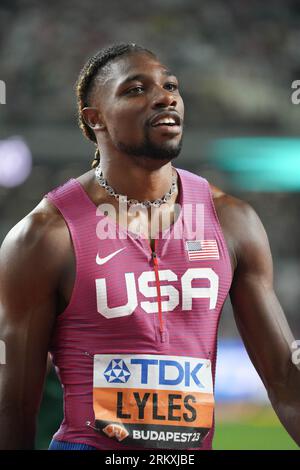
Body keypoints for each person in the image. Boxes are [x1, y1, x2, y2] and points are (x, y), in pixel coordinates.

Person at [0, 42, 299, 451]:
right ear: (95, 118)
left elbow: (285, 377)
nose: (165, 96)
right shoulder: (44, 235)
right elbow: (13, 406)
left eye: (170, 85)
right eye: (135, 89)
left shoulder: (232, 221)